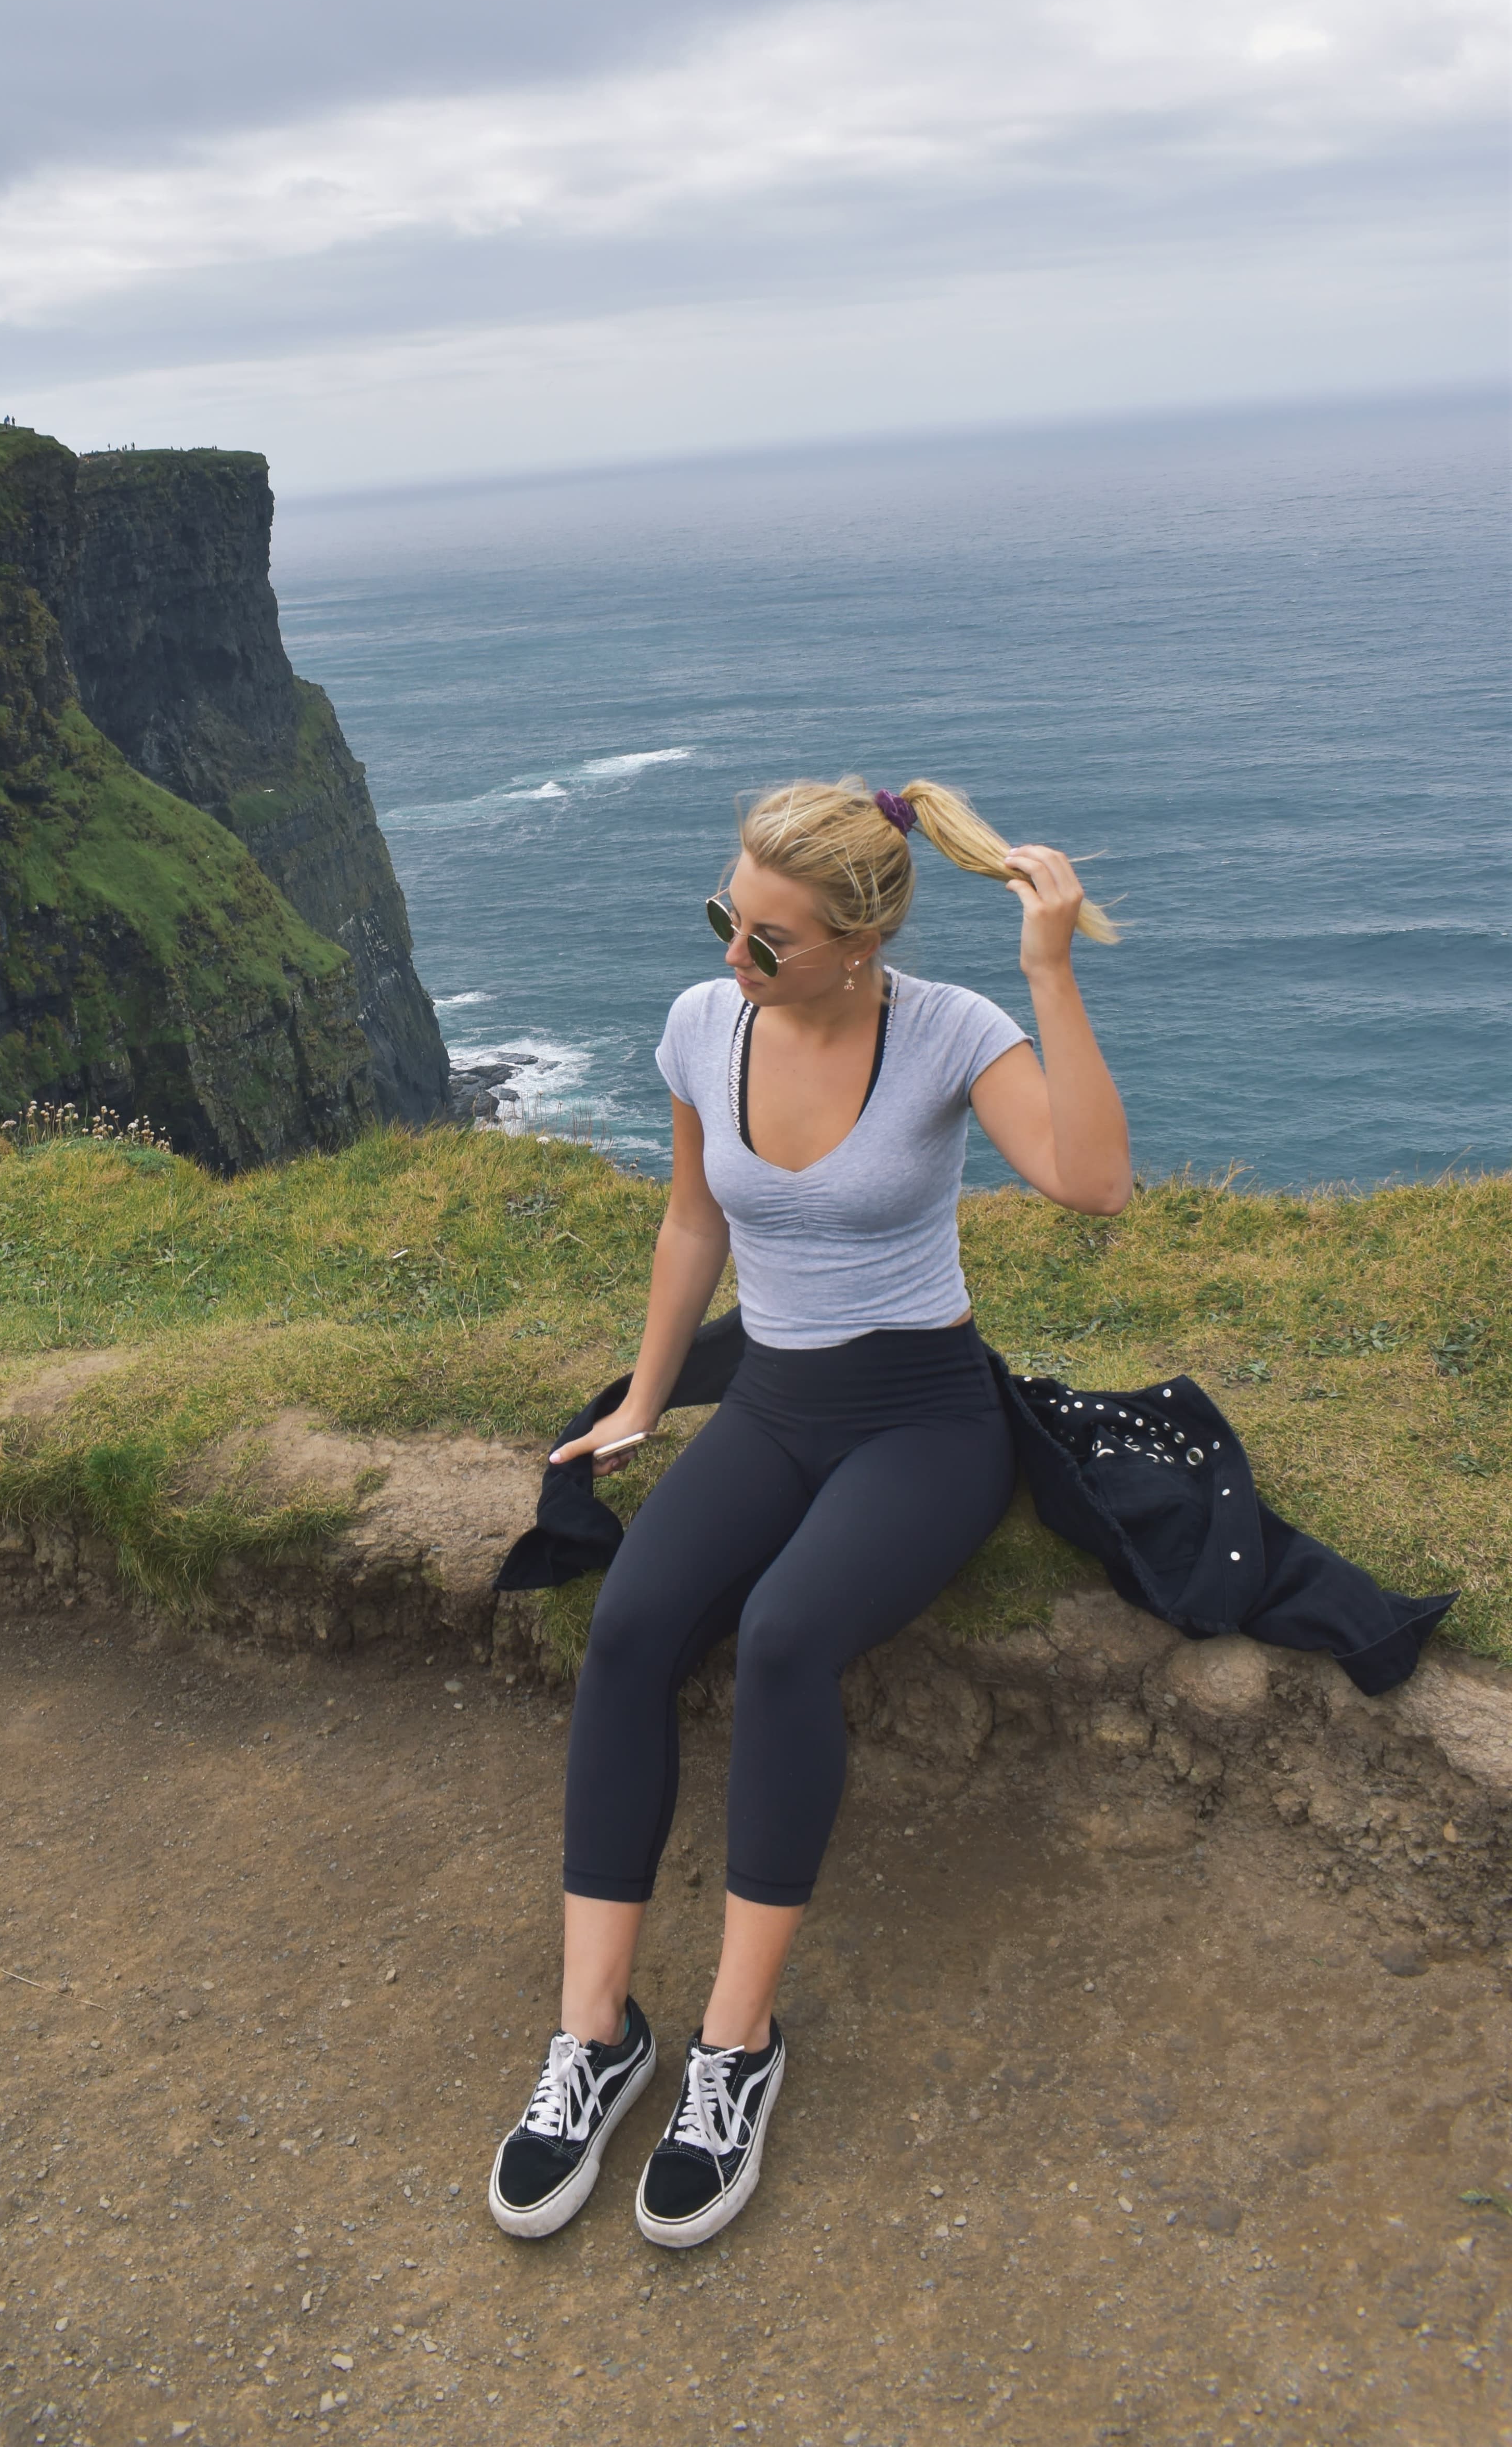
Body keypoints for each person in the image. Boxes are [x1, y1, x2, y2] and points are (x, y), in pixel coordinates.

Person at [488, 775, 1130, 2251]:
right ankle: (596, 2038)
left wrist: (1048, 970)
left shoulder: (953, 1030)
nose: (736, 957)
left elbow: (1093, 1182)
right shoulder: (702, 1026)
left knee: (782, 1640)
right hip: (772, 1403)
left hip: (924, 1421)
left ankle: (734, 2051)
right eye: (730, 917)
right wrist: (649, 1399)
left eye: (771, 939)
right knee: (637, 1622)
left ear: (860, 941)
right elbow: (692, 1220)